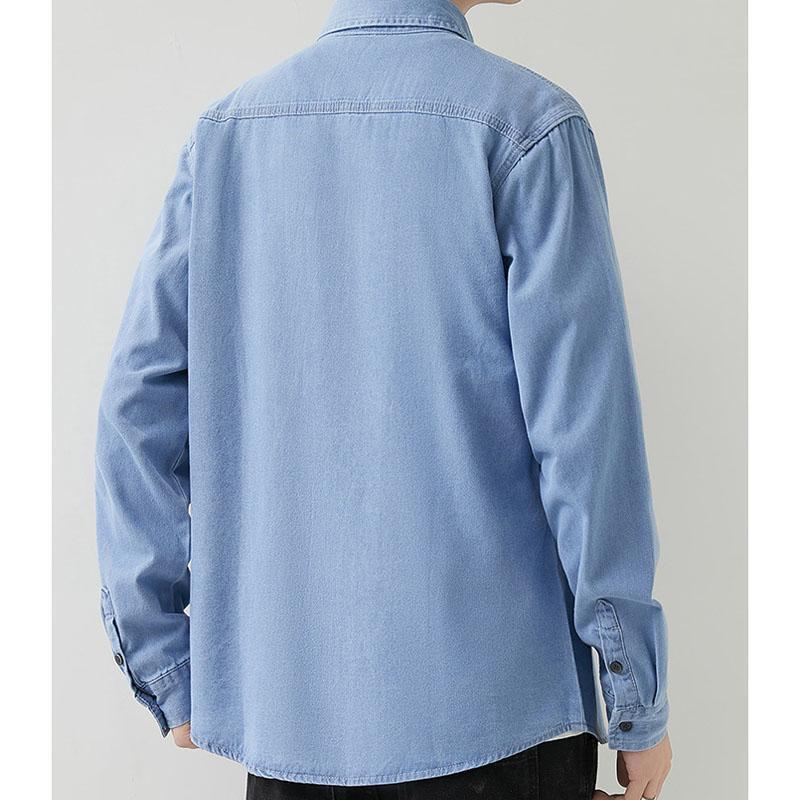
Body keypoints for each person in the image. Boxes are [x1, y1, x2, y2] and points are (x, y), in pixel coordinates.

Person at [95, 0, 673, 797]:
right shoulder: (529, 127)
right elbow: (584, 446)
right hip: (499, 727)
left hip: (291, 727)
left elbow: (136, 409)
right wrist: (635, 696)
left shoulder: (225, 137)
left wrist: (168, 667)